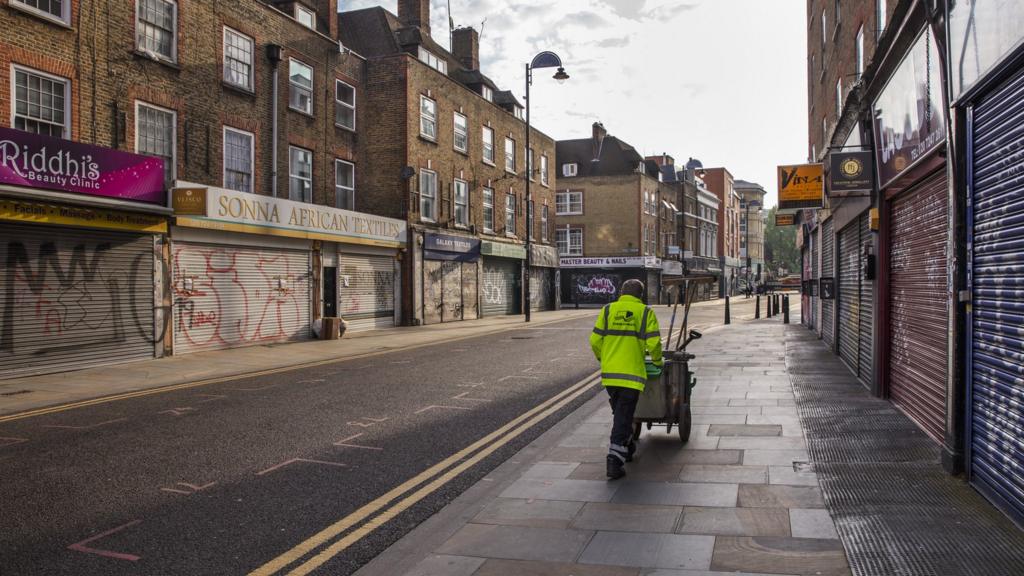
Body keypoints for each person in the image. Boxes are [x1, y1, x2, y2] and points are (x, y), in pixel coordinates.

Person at [589, 279, 663, 480]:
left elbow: (595, 341)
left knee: (621, 413)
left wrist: (603, 358)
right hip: (632, 375)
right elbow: (654, 343)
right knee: (623, 416)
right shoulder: (645, 313)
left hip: (610, 375)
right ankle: (614, 461)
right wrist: (658, 362)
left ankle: (627, 446)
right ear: (641, 295)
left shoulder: (607, 310)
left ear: (621, 292)